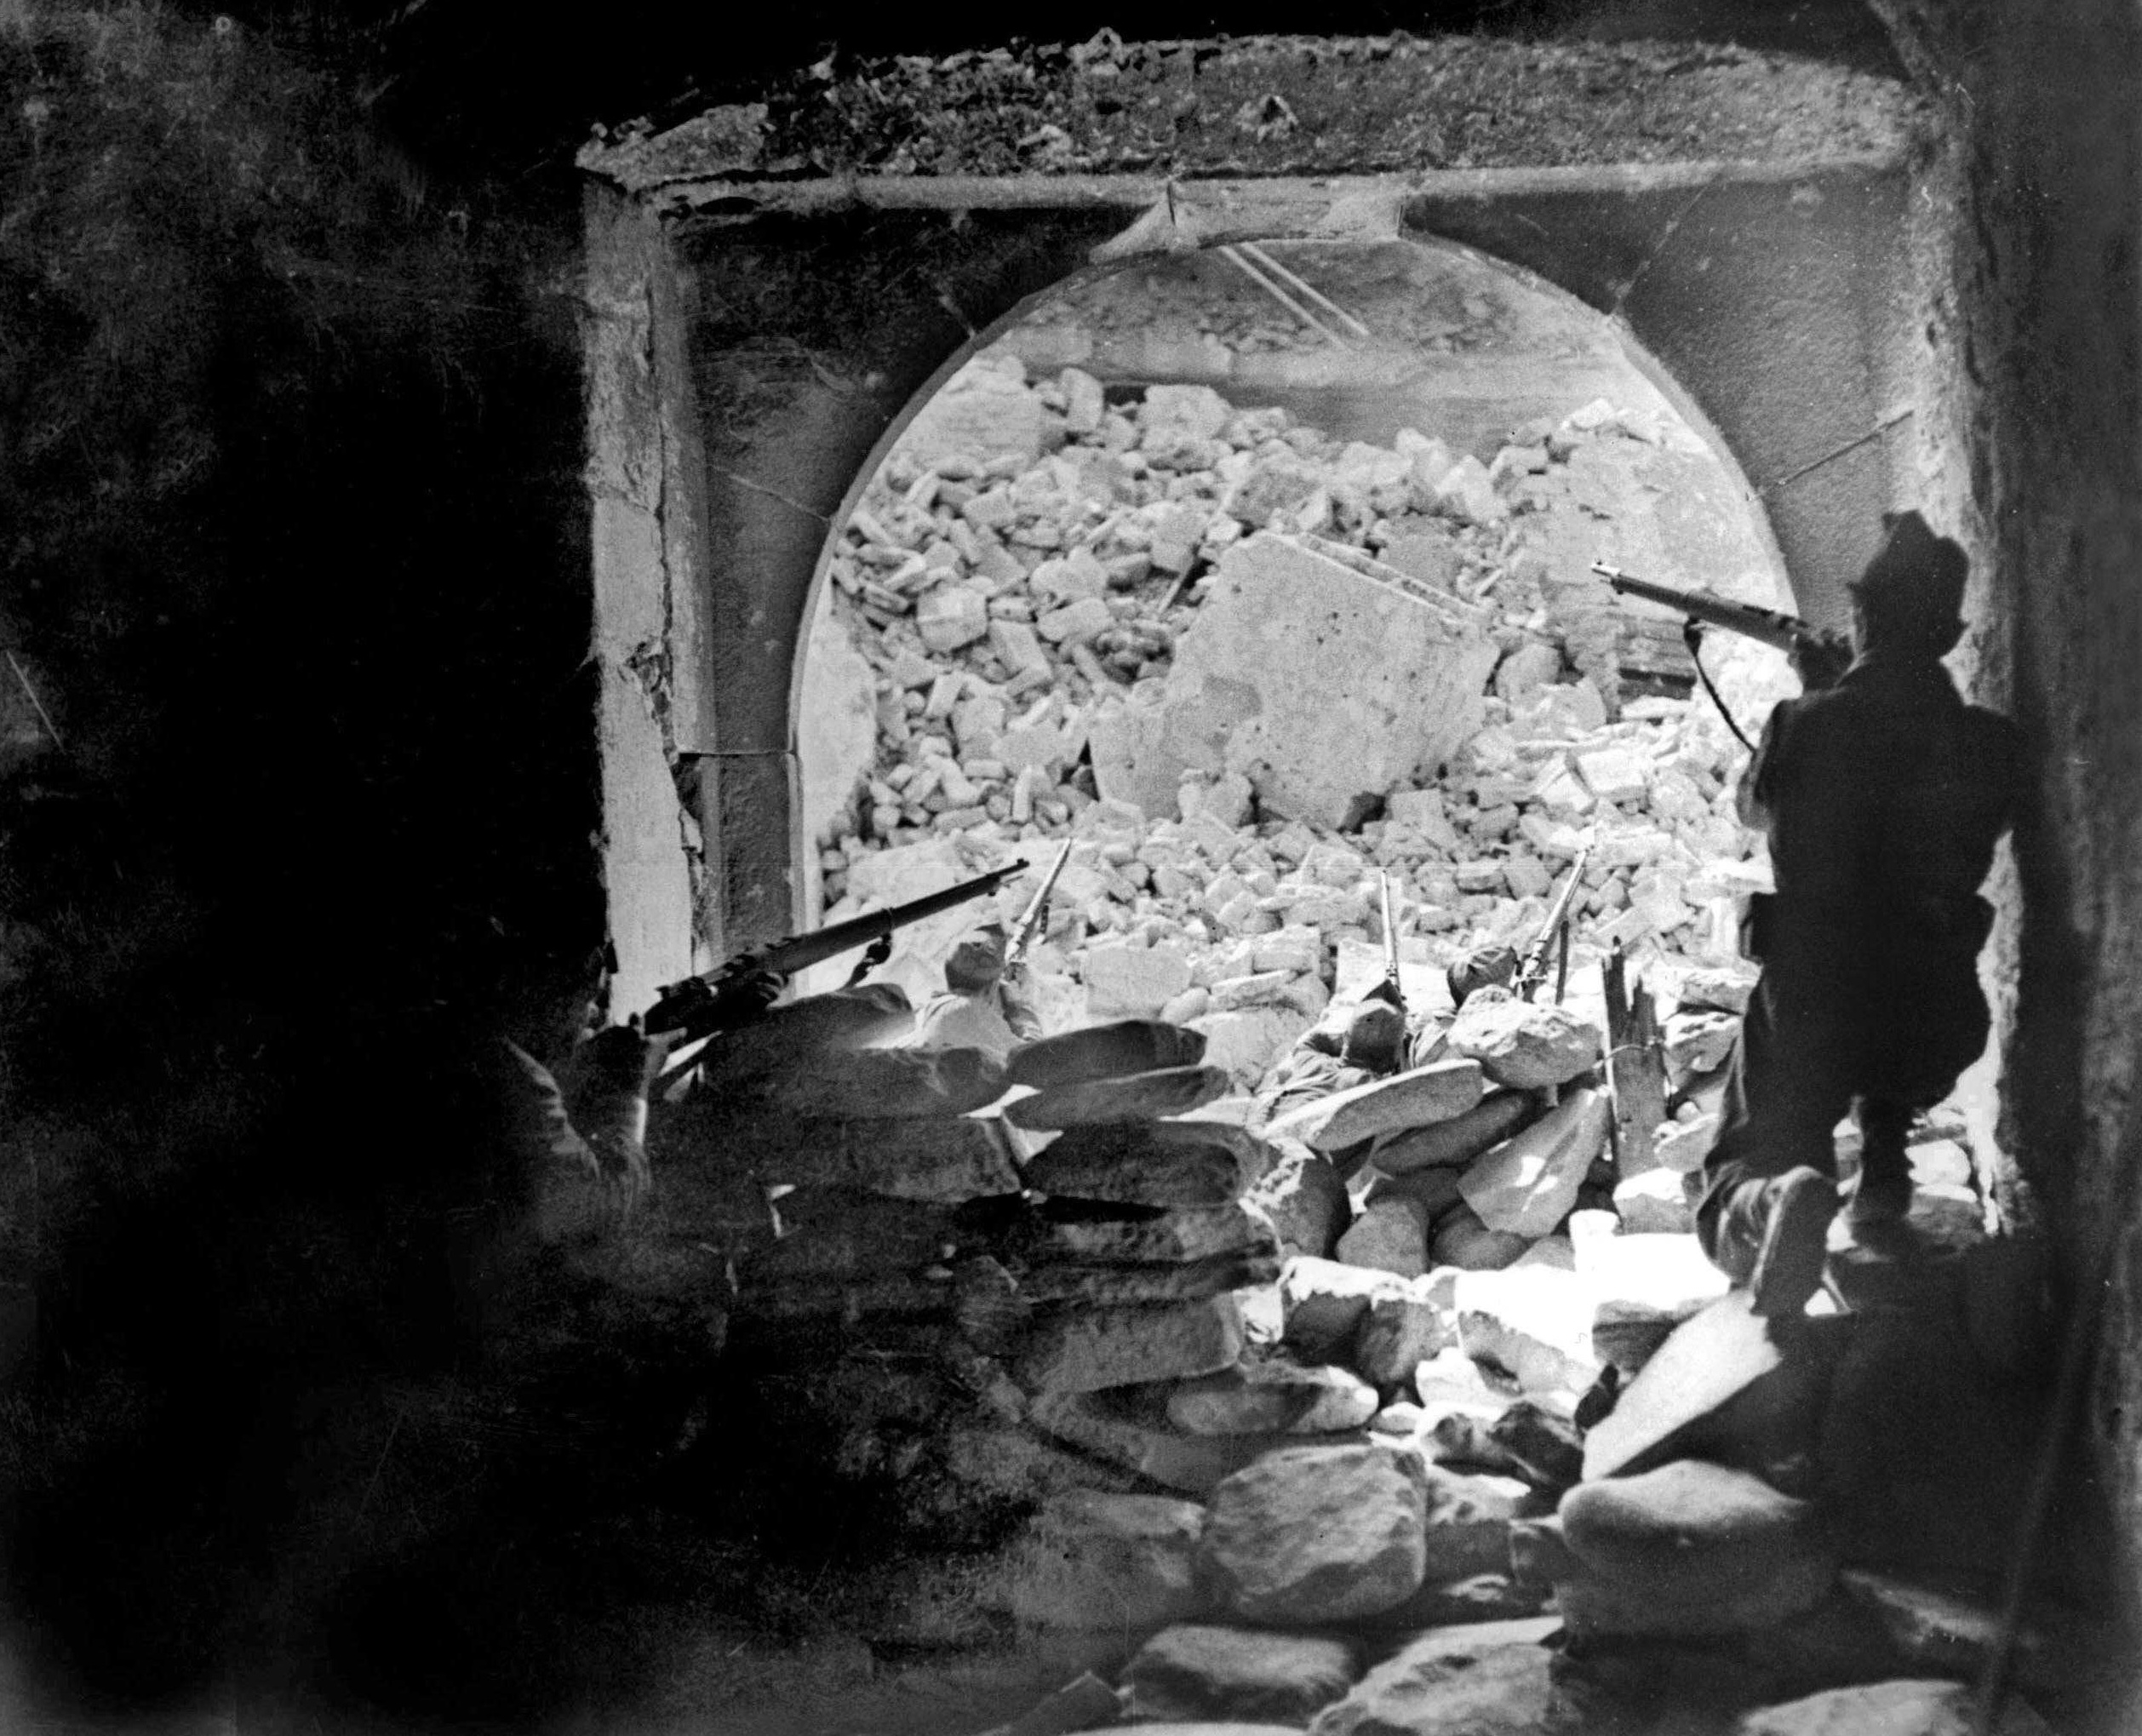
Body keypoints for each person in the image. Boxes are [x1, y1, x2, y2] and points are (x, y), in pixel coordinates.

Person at [1694, 511, 2025, 1315]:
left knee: (1742, 1164)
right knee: (1900, 938)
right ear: (1949, 635)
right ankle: (1883, 1170)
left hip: (1817, 1014)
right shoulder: (1994, 745)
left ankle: (1773, 1200)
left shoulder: (1805, 723)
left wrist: (1820, 692)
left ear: (1861, 619)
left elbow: (1753, 806)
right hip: (1936, 1025)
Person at [906, 921, 1040, 1063]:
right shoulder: (968, 1011)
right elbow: (1035, 1061)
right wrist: (1018, 1006)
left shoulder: (929, 1010)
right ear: (991, 988)